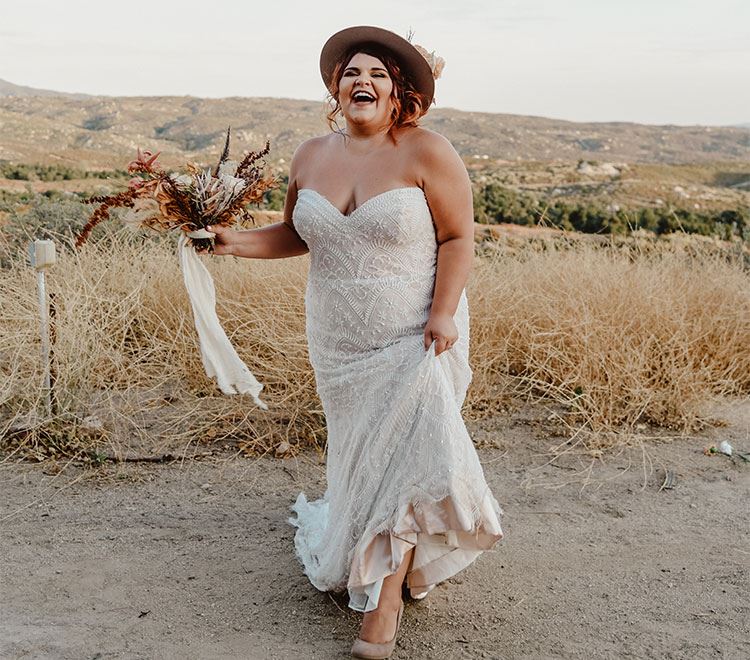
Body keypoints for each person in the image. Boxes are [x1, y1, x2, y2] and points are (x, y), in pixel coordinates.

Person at [205, 25, 504, 660]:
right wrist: (229, 241)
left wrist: (445, 313)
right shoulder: (311, 154)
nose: (360, 81)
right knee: (365, 458)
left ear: (400, 93)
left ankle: (385, 601)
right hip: (338, 339)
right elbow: (296, 234)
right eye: (350, 74)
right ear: (335, 90)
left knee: (409, 452)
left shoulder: (429, 152)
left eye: (377, 74)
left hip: (417, 331)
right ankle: (384, 553)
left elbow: (458, 239)